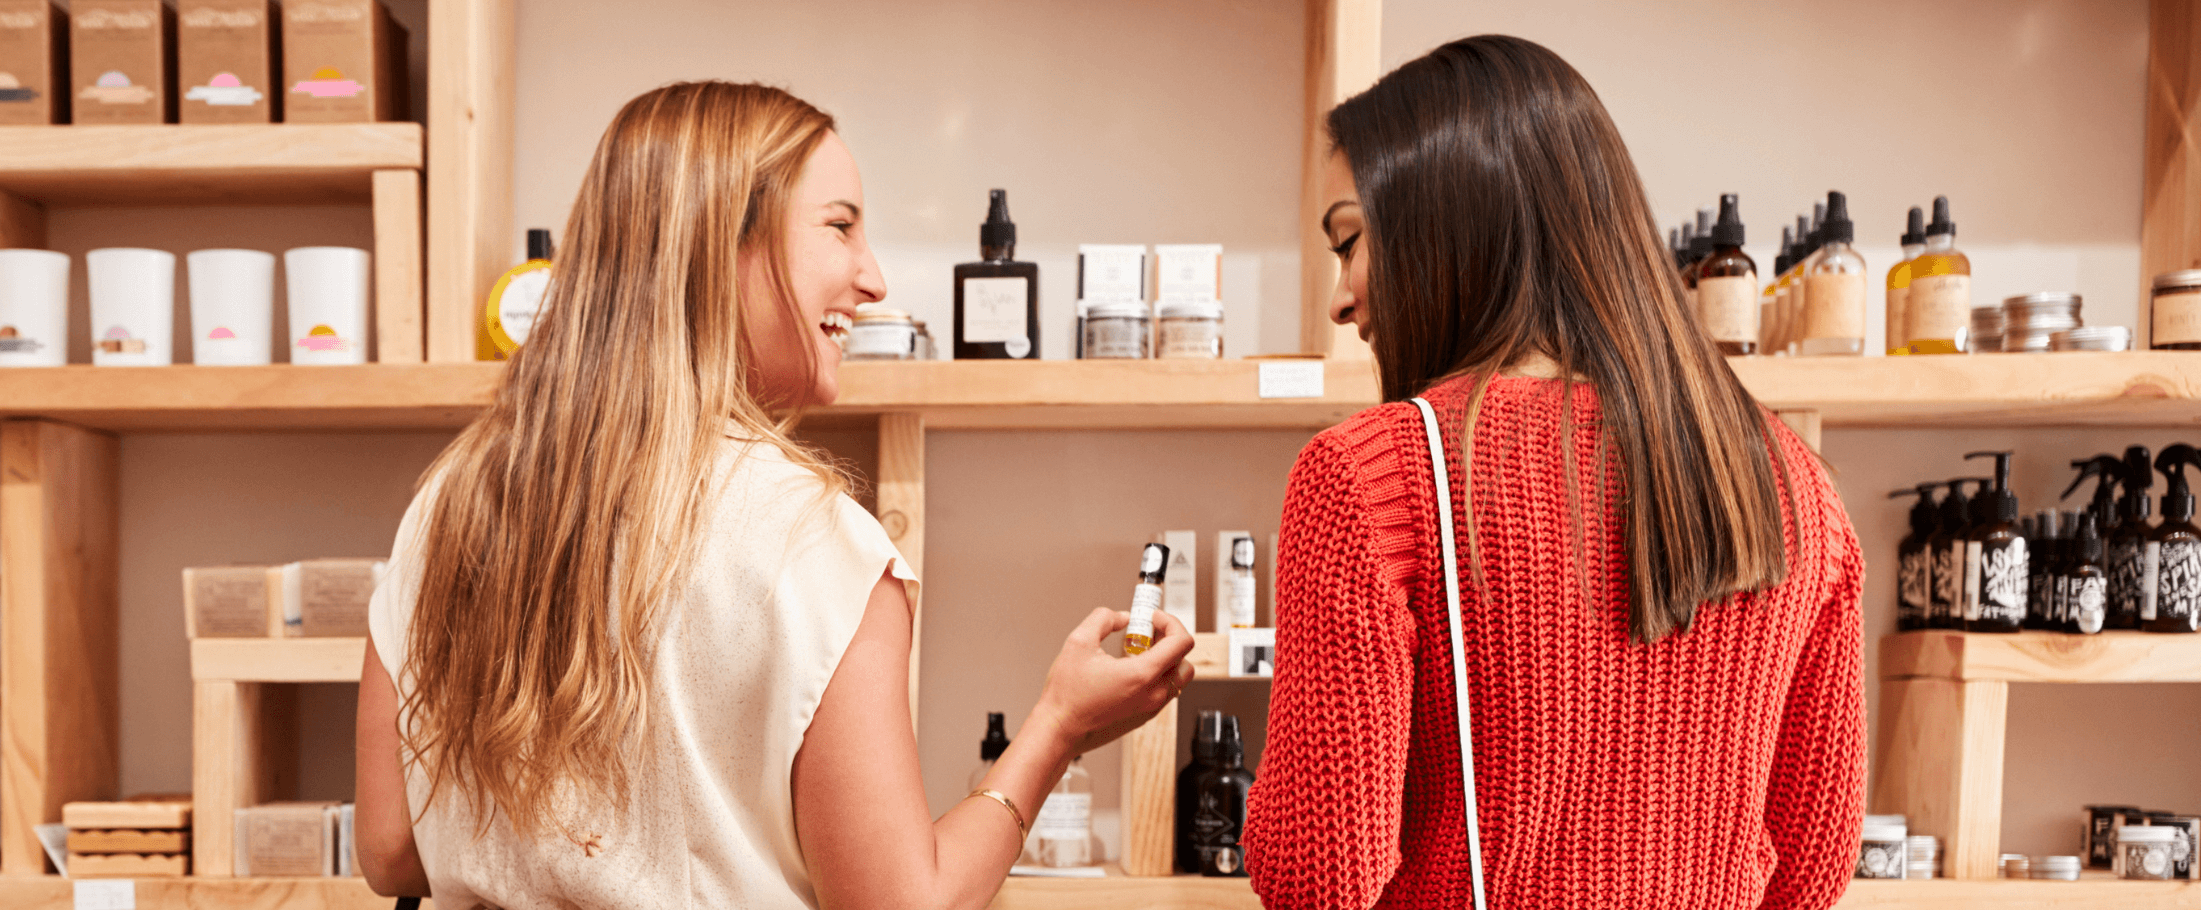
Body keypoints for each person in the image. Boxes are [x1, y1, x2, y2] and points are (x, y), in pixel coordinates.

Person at [352, 81, 1195, 910]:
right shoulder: (811, 541)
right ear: (724, 245)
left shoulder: (453, 503)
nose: (873, 279)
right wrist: (1057, 728)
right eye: (840, 228)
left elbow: (391, 851)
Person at [1248, 36, 1864, 910]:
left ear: (1446, 219)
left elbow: (1319, 880)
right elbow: (1810, 875)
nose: (1341, 296)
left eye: (1351, 241)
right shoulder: (1800, 488)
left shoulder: (1375, 478)